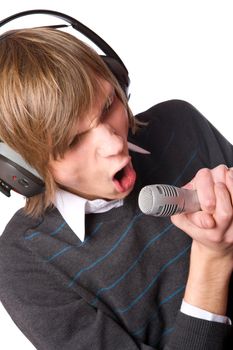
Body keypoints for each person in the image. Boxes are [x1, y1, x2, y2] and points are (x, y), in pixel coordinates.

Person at [0, 27, 232, 350]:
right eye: (73, 140)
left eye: (108, 104)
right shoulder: (24, 263)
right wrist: (213, 260)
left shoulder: (180, 124)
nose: (113, 144)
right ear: (24, 169)